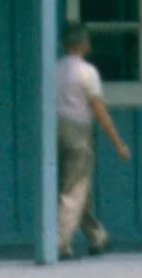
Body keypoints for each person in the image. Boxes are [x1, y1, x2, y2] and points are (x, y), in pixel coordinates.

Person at [55, 24, 129, 260]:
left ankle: (97, 236)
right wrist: (118, 142)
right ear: (83, 44)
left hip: (54, 129)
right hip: (78, 130)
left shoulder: (53, 70)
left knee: (76, 185)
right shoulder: (87, 72)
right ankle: (60, 242)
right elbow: (99, 109)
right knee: (74, 187)